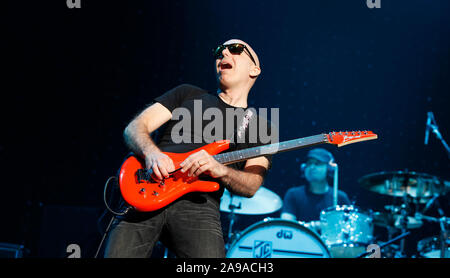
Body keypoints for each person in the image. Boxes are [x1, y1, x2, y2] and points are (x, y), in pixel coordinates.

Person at [103, 39, 273, 258]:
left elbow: (251, 185)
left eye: (236, 49)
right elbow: (135, 128)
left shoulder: (261, 126)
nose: (223, 54)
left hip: (198, 206)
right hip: (148, 186)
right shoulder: (188, 94)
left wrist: (221, 170)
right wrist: (152, 154)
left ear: (254, 69)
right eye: (219, 52)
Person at [280, 148, 351, 225]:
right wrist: (315, 225)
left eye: (317, 163)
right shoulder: (293, 194)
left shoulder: (340, 197)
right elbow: (286, 226)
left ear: (329, 169)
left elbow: (349, 226)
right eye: (309, 163)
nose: (312, 167)